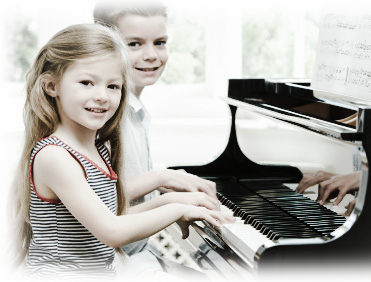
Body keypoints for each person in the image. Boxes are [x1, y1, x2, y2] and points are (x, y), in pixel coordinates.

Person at [0, 23, 233, 282]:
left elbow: (111, 216)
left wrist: (173, 202)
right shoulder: (54, 155)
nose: (102, 96)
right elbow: (112, 231)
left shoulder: (95, 148)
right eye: (87, 82)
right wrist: (176, 211)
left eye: (113, 86)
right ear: (51, 86)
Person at [93, 1, 225, 281]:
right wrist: (169, 196)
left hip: (136, 251)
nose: (151, 55)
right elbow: (103, 204)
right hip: (109, 261)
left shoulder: (136, 109)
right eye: (134, 44)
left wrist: (169, 188)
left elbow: (121, 190)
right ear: (103, 43)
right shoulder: (101, 114)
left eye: (160, 42)